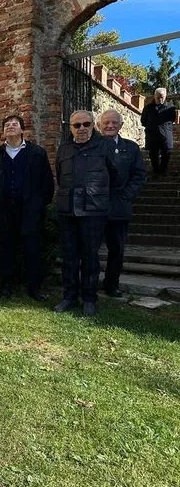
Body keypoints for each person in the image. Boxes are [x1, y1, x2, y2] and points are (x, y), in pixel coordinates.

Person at [54, 110, 118, 316]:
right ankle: (69, 297)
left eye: (86, 124)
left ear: (93, 125)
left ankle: (89, 298)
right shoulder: (64, 148)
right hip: (68, 211)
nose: (82, 128)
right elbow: (60, 177)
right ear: (70, 128)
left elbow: (115, 176)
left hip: (93, 211)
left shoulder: (105, 146)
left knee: (90, 257)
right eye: (77, 125)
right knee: (69, 257)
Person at [0, 115, 54, 301]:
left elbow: (47, 183)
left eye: (15, 124)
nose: (10, 127)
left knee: (32, 250)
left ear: (22, 130)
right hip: (4, 211)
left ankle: (35, 288)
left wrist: (38, 205)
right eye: (7, 125)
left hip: (30, 211)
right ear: (3, 131)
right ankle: (6, 287)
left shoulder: (37, 153)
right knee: (5, 249)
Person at [98, 109, 147, 298]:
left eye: (114, 122)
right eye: (106, 122)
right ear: (99, 125)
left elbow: (139, 175)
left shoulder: (131, 148)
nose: (110, 126)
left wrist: (126, 196)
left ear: (121, 125)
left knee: (117, 248)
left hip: (119, 206)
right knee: (90, 248)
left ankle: (112, 284)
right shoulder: (92, 146)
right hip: (95, 205)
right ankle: (89, 282)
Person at [140, 87, 175, 176]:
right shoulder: (148, 108)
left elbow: (172, 119)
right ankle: (155, 171)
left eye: (162, 97)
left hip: (166, 134)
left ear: (165, 96)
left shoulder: (170, 107)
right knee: (153, 153)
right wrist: (152, 126)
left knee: (166, 152)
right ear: (154, 96)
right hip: (152, 134)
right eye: (158, 97)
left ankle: (163, 171)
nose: (160, 99)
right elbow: (143, 120)